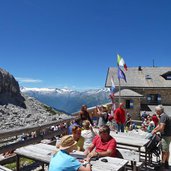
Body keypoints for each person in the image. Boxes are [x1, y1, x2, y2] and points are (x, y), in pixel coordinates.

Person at [152, 105, 171, 169]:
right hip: (168, 135)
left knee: (164, 151)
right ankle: (166, 164)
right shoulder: (163, 116)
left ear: (159, 111)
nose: (155, 112)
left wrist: (155, 131)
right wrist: (154, 129)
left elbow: (161, 128)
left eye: (156, 110)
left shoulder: (163, 116)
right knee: (167, 150)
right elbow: (159, 125)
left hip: (166, 136)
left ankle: (162, 165)